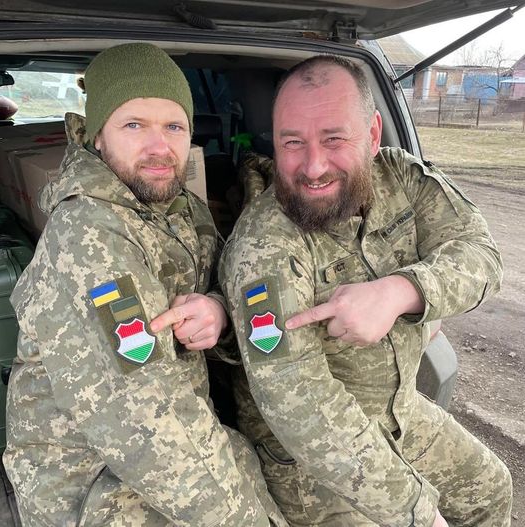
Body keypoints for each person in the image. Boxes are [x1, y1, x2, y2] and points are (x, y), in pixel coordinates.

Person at [219, 55, 512, 527]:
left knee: (490, 489)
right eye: (292, 143)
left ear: (373, 135)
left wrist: (402, 291)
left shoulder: (400, 177)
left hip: (399, 412)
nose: (313, 166)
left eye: (334, 139)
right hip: (310, 461)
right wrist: (418, 513)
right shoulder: (263, 246)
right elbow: (304, 409)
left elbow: (481, 255)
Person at [3, 42, 287, 527]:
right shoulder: (88, 235)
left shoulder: (180, 208)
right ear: (97, 136)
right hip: (90, 479)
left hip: (181, 430)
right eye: (134, 125)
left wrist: (217, 310)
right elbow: (148, 422)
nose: (159, 147)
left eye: (173, 126)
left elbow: (233, 284)